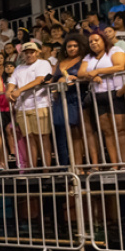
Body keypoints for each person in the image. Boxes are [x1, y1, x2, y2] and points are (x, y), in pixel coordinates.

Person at [79, 32, 125, 169]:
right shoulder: (89, 57)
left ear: (104, 40)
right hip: (98, 95)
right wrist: (92, 76)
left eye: (96, 40)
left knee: (121, 129)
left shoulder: (115, 50)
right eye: (91, 42)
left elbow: (120, 66)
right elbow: (81, 73)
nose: (93, 43)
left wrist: (97, 72)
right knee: (107, 130)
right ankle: (114, 164)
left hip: (115, 92)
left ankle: (124, 163)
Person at [7, 42, 54, 170]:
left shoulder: (43, 63)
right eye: (26, 52)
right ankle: (34, 168)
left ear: (37, 52)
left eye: (31, 52)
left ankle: (46, 169)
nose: (29, 55)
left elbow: (40, 80)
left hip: (40, 103)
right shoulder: (19, 68)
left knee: (43, 136)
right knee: (30, 137)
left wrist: (19, 90)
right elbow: (11, 82)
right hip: (22, 106)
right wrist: (9, 92)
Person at [51, 33, 89, 167]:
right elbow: (54, 79)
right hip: (62, 98)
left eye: (75, 46)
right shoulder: (60, 62)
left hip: (79, 96)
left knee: (81, 131)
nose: (72, 48)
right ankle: (71, 165)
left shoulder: (84, 59)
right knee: (66, 131)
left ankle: (85, 163)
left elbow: (85, 76)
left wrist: (74, 79)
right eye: (69, 46)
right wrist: (59, 82)